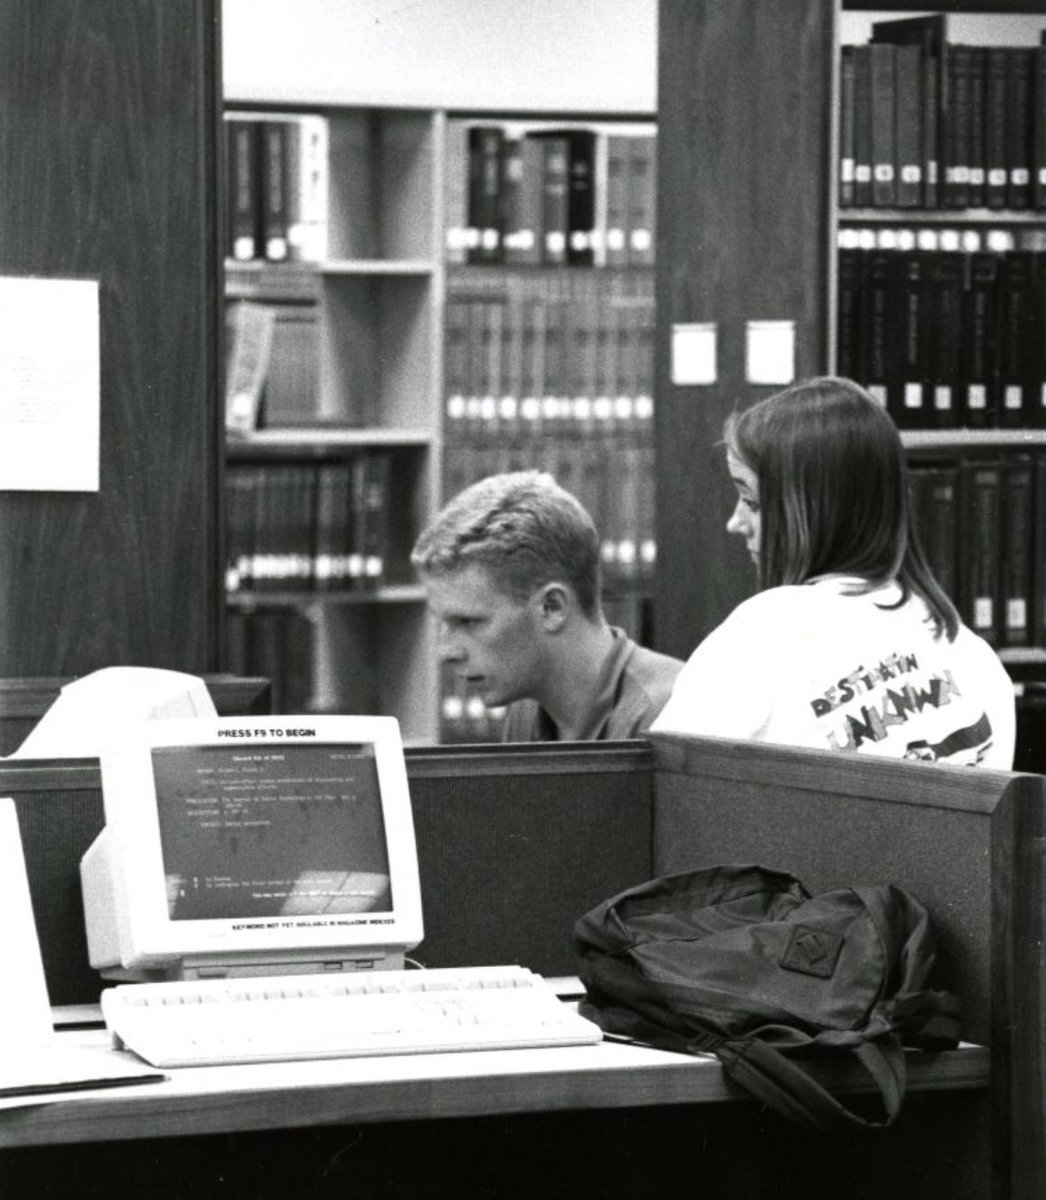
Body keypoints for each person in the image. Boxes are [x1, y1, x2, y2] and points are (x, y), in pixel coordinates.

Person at [651, 376, 1016, 768]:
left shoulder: (763, 631)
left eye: (750, 500)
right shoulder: (978, 659)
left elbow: (662, 793)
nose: (735, 522)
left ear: (811, 512)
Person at [411, 470, 683, 742]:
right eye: (442, 622)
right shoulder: (527, 710)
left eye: (469, 622)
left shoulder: (671, 713)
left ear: (552, 607)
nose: (445, 652)